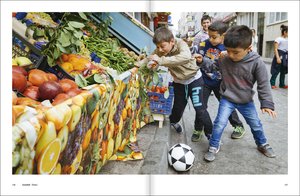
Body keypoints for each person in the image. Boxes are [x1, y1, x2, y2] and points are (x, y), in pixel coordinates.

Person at [204, 25, 277, 162]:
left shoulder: (257, 62)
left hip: (246, 101)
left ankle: (262, 144)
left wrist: (267, 103)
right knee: (219, 123)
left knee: (255, 124)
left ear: (248, 48)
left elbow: (263, 84)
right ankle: (213, 146)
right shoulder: (224, 58)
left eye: (235, 52)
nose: (230, 55)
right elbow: (213, 67)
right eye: (228, 50)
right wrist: (202, 61)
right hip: (227, 98)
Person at [144, 27, 212, 139]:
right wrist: (143, 65)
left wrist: (160, 60)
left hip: (194, 79)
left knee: (200, 108)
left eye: (162, 46)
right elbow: (149, 60)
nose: (160, 50)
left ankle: (211, 135)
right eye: (158, 47)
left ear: (172, 41)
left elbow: (186, 57)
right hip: (179, 83)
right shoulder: (160, 51)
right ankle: (173, 122)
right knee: (178, 108)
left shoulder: (181, 44)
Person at [192, 21, 245, 142]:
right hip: (204, 81)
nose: (211, 39)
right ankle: (198, 128)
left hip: (221, 83)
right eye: (209, 36)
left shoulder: (228, 48)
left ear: (224, 35)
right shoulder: (203, 44)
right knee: (200, 106)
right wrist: (198, 61)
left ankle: (238, 126)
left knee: (227, 105)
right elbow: (199, 61)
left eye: (214, 37)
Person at [270, 25, 288, 89]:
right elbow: (275, 49)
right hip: (279, 55)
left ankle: (282, 84)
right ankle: (272, 83)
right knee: (276, 70)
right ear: (285, 32)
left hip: (285, 56)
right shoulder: (278, 39)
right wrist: (277, 58)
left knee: (283, 71)